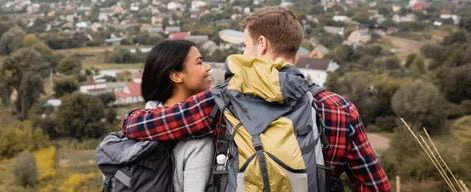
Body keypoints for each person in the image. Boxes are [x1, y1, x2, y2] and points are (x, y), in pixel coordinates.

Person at [121, 6, 391, 192]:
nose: (244, 51)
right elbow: (374, 185)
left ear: (261, 44)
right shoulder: (339, 109)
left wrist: (130, 118)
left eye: (245, 45)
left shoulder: (221, 101)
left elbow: (153, 125)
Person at [140, 40, 216, 192]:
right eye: (199, 62)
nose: (208, 67)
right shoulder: (199, 141)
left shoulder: (142, 124)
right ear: (176, 76)